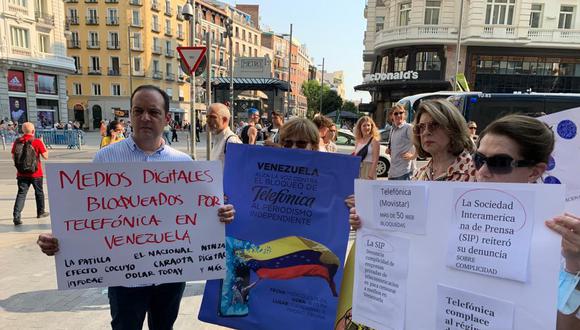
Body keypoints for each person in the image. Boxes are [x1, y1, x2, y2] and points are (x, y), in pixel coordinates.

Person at [36, 85, 236, 330]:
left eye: (153, 111)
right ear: (130, 115)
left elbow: (200, 215)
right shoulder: (105, 159)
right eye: (138, 110)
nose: (145, 118)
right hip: (124, 280)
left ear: (166, 118)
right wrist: (59, 240)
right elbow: (85, 214)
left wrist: (221, 215)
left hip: (170, 275)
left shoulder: (183, 163)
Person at [474, 114, 579, 329]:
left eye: (500, 163)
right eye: (479, 159)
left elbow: (565, 326)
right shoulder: (457, 216)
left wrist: (574, 266)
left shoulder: (562, 234)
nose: (482, 172)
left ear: (535, 171)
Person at [412, 99, 476, 181]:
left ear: (452, 128)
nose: (426, 132)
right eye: (421, 127)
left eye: (434, 125)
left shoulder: (476, 174)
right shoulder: (418, 175)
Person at [12, 122, 49, 225]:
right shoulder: (37, 141)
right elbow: (46, 156)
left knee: (21, 194)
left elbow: (13, 156)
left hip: (21, 174)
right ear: (33, 131)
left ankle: (16, 216)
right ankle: (40, 212)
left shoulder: (17, 141)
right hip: (36, 173)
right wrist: (43, 143)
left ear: (22, 131)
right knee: (39, 192)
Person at [387, 104, 416, 180]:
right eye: (396, 113)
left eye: (401, 113)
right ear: (391, 116)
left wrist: (413, 156)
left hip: (404, 172)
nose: (399, 115)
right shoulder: (392, 128)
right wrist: (389, 149)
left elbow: (419, 144)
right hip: (392, 171)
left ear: (404, 114)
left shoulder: (408, 127)